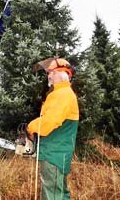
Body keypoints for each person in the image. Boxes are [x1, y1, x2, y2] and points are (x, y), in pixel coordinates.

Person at [27, 57, 78, 200]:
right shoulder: (59, 94)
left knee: (53, 195)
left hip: (54, 154)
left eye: (51, 72)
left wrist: (30, 127)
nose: (48, 75)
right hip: (55, 153)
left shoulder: (62, 95)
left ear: (62, 73)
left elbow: (48, 123)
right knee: (57, 193)